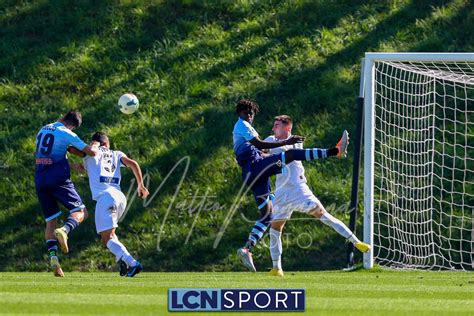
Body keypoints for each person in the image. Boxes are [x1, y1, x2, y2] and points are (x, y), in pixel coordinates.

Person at [232, 99, 348, 272]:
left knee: (267, 215)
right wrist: (285, 143)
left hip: (253, 175)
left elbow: (259, 150)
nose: (250, 116)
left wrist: (272, 154)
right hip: (256, 168)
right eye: (248, 112)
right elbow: (260, 145)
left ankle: (247, 248)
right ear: (244, 113)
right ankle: (334, 151)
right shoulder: (243, 125)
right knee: (292, 154)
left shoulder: (245, 127)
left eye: (251, 113)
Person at [264, 115, 370, 276]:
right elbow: (261, 152)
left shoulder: (295, 141)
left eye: (277, 125)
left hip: (299, 191)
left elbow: (290, 153)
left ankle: (357, 243)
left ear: (287, 128)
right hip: (281, 192)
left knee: (323, 215)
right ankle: (276, 268)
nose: (273, 128)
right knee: (275, 228)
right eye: (274, 125)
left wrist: (268, 153)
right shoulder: (271, 139)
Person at [70, 132, 149, 277]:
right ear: (107, 144)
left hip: (105, 198)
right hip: (120, 198)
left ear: (97, 143)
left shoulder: (90, 152)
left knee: (107, 238)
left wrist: (64, 150)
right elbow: (133, 163)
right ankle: (122, 260)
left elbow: (73, 149)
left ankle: (132, 263)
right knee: (111, 235)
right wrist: (141, 185)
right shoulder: (116, 154)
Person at [34, 110, 97, 277]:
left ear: (62, 117)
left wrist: (70, 164)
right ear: (72, 126)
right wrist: (95, 145)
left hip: (40, 179)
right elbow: (91, 152)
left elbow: (48, 156)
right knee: (81, 211)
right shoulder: (67, 132)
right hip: (59, 180)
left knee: (50, 222)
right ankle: (65, 230)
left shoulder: (43, 129)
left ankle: (54, 259)